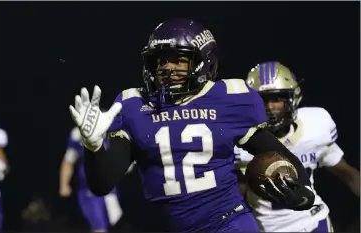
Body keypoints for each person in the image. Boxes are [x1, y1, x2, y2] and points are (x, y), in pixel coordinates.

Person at [69, 19, 315, 232]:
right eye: (160, 60)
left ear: (203, 62)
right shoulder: (134, 105)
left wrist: (303, 189)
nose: (167, 68)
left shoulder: (228, 98)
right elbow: (101, 185)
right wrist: (94, 147)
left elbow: (275, 151)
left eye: (179, 60)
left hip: (228, 223)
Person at [235, 61, 360, 232]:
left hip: (314, 220)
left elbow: (345, 171)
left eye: (276, 99)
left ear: (292, 98)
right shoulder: (239, 142)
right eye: (262, 100)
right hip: (269, 228)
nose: (269, 107)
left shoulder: (314, 127)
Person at [59, 127, 123, 232]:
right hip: (89, 189)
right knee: (99, 227)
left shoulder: (112, 129)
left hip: (110, 189)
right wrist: (64, 184)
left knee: (111, 225)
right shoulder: (78, 134)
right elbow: (68, 160)